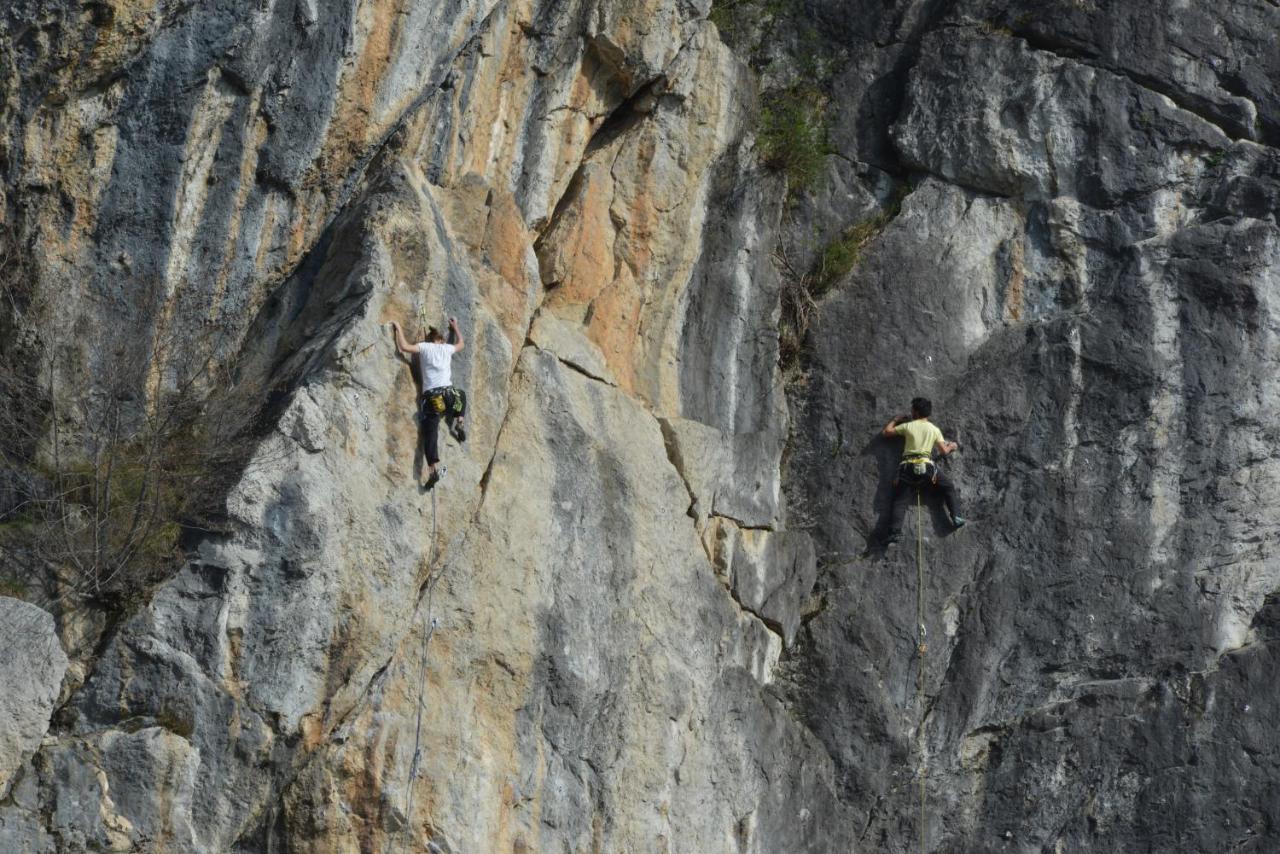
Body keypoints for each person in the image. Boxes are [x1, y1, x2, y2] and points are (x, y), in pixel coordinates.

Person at [392, 316, 465, 488]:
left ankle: (432, 470)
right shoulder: (447, 348)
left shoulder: (424, 347)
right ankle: (459, 421)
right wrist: (455, 327)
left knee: (430, 434)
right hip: (449, 396)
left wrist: (398, 327)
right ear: (440, 340)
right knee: (461, 395)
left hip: (432, 399)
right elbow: (461, 343)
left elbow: (404, 347)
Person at [882, 397, 964, 544]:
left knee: (900, 501)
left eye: (912, 409)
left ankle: (895, 532)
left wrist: (895, 419)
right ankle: (956, 516)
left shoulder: (908, 426)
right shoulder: (934, 429)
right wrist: (952, 446)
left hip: (907, 468)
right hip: (927, 469)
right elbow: (944, 451)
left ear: (916, 411)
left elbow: (887, 433)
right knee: (948, 487)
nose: (911, 411)